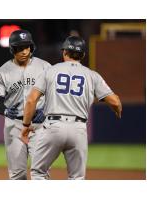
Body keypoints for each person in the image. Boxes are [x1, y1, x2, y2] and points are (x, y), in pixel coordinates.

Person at [20, 35, 122, 180]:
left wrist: (25, 125)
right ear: (83, 55)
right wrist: (117, 111)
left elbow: (31, 100)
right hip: (78, 130)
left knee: (39, 172)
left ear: (64, 52)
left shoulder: (51, 71)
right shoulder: (92, 75)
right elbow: (115, 101)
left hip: (53, 127)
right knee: (76, 178)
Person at [0, 29, 51, 180]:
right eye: (19, 48)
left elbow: (55, 96)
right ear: (12, 49)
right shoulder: (2, 72)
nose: (24, 51)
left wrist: (45, 110)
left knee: (40, 173)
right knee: (17, 175)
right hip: (15, 125)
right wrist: (5, 112)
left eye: (27, 47)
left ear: (32, 47)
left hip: (39, 125)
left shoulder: (45, 67)